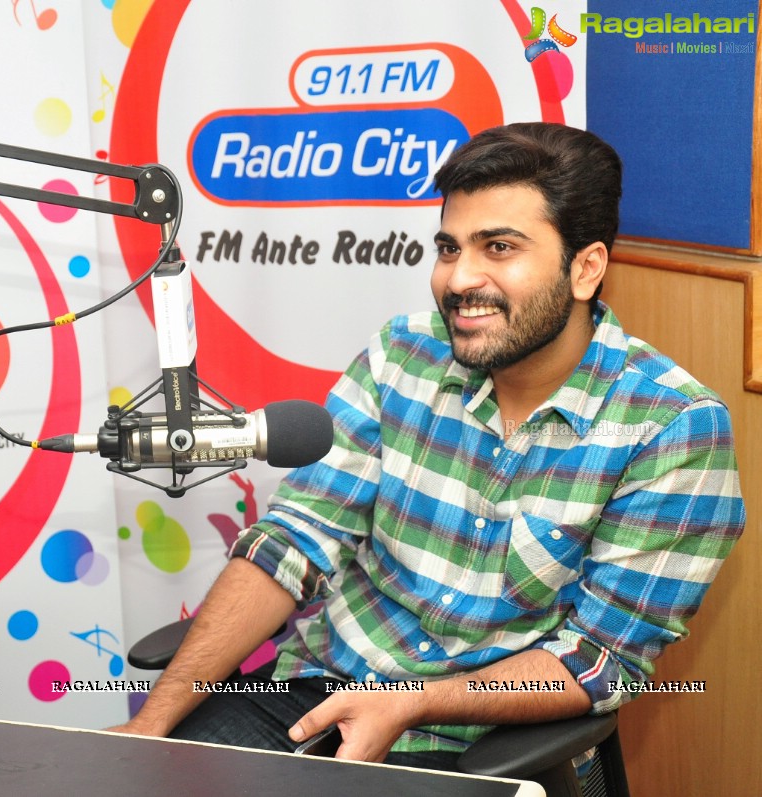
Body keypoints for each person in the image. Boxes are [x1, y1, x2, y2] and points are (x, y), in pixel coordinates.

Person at [113, 123, 745, 770]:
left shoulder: (672, 428)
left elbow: (596, 658)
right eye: (448, 248)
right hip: (312, 695)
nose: (458, 278)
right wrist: (150, 725)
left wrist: (410, 700)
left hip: (482, 741)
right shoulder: (400, 353)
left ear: (584, 268)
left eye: (498, 247)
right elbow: (293, 541)